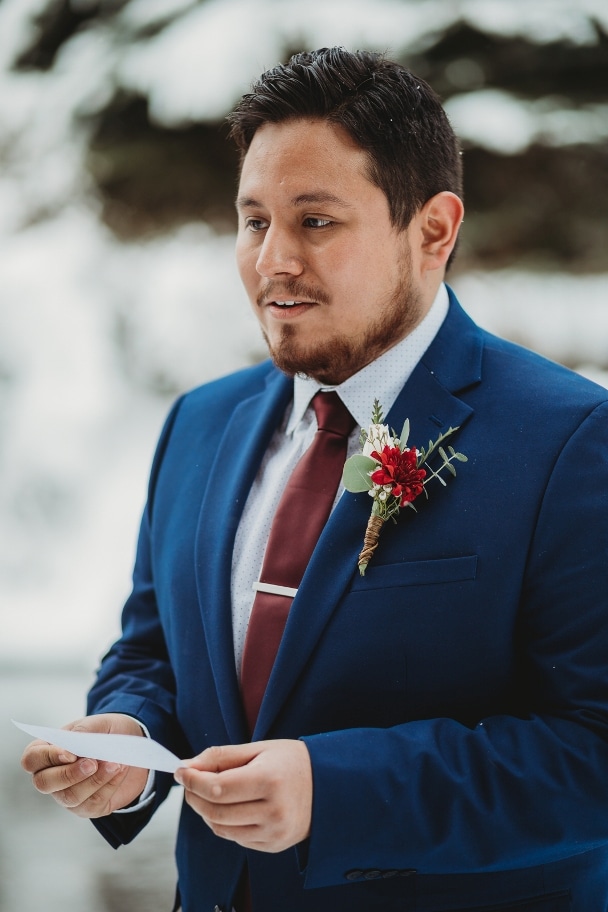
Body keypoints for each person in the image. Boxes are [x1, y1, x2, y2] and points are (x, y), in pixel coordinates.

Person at [20, 47, 608, 912]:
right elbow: (152, 653)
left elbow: (591, 751)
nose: (272, 262)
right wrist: (131, 737)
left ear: (434, 230)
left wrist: (334, 790)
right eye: (254, 221)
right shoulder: (198, 426)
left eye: (316, 222)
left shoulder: (573, 441)